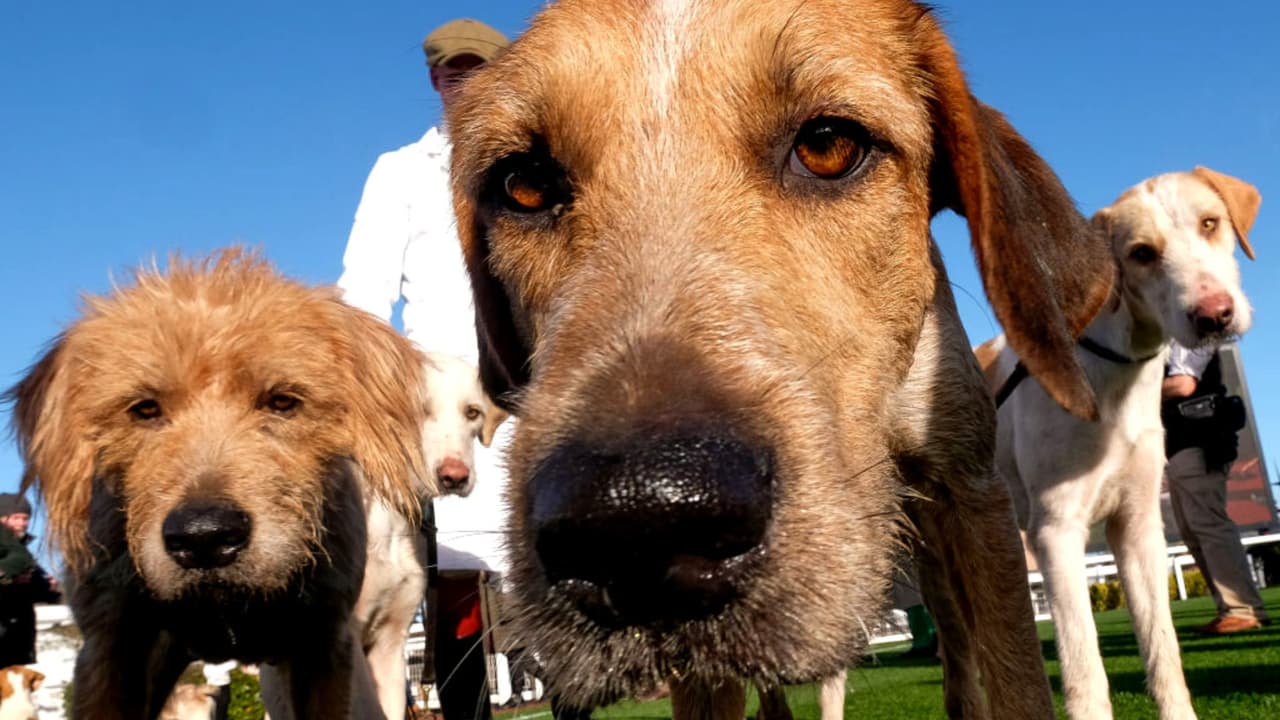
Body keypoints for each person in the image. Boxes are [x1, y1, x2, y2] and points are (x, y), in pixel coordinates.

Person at [337, 18, 511, 720]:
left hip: (528, 383)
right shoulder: (401, 172)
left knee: (549, 569)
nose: (466, 82)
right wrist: (369, 392)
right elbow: (364, 290)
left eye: (480, 69)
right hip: (438, 397)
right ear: (435, 79)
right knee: (455, 575)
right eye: (453, 70)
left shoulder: (532, 161)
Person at [1162, 341, 1270, 634]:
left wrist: (1135, 389)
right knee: (1193, 529)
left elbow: (1183, 384)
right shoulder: (1173, 337)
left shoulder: (1192, 336)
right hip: (1182, 444)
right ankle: (1230, 608)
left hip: (1200, 440)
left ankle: (1243, 609)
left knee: (1208, 524)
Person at [0, 492, 60, 667]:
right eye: (15, 518)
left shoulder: (22, 552)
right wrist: (8, 579)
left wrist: (49, 588)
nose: (21, 523)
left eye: (25, 518)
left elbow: (31, 590)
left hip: (17, 641)